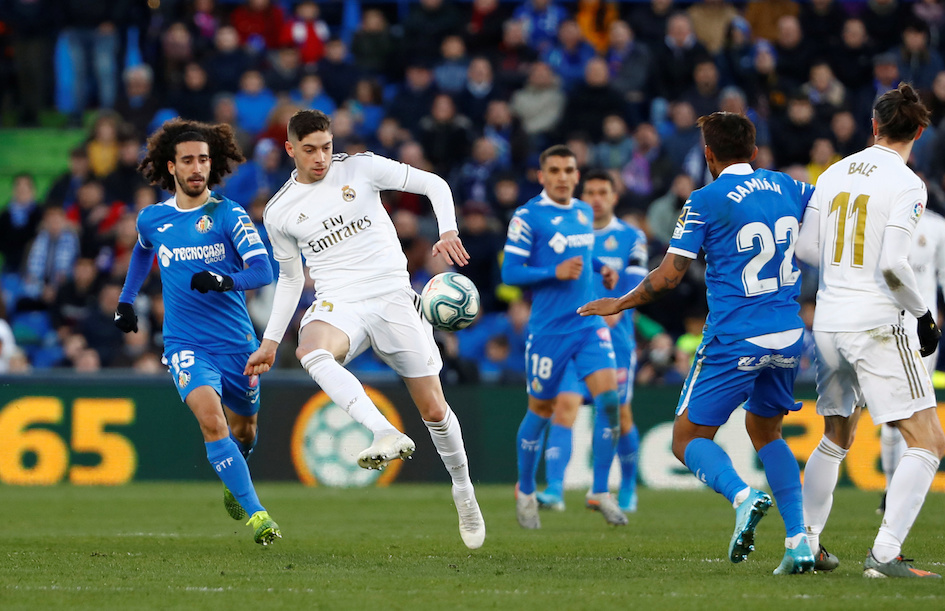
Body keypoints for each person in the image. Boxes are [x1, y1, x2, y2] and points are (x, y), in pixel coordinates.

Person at [580, 112, 816, 575]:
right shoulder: (790, 186)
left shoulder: (705, 199)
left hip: (736, 336)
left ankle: (743, 497)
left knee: (686, 438)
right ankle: (800, 542)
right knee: (767, 432)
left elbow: (669, 276)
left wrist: (621, 302)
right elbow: (825, 207)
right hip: (790, 333)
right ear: (753, 151)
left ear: (708, 154)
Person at [243, 110, 485, 550]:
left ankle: (464, 491)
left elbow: (436, 184)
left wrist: (447, 230)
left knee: (434, 409)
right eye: (311, 149)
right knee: (312, 349)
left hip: (393, 295)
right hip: (342, 299)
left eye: (327, 147)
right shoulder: (279, 212)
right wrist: (270, 342)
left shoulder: (361, 167)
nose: (321, 158)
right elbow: (292, 279)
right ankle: (383, 431)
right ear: (290, 149)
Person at [794, 84, 945, 578]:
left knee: (836, 436)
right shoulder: (907, 183)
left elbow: (807, 249)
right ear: (918, 131)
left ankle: (807, 545)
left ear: (874, 126)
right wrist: (924, 316)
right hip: (877, 324)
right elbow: (894, 268)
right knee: (928, 440)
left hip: (829, 321)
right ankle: (885, 554)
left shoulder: (833, 172)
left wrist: (844, 268)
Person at [113, 119, 280, 546]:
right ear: (171, 166)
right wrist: (126, 300)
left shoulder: (229, 214)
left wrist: (224, 281)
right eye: (188, 160)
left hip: (237, 345)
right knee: (212, 420)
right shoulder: (153, 219)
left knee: (244, 431)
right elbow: (141, 252)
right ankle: (258, 515)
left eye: (203, 159)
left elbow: (262, 270)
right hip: (185, 344)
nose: (197, 168)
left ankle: (234, 477)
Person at [502, 145, 626, 529]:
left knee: (610, 402)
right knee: (540, 411)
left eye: (568, 170)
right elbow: (510, 273)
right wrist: (554, 272)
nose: (561, 176)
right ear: (542, 176)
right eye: (553, 170)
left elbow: (583, 255)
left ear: (577, 175)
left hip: (588, 324)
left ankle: (600, 490)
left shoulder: (583, 211)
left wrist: (602, 268)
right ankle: (525, 491)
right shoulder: (527, 217)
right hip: (548, 332)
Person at [535, 169, 647, 514]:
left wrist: (616, 308)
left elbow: (639, 285)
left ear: (614, 197)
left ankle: (626, 484)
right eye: (591, 192)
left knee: (620, 416)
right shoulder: (570, 235)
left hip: (616, 341)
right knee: (564, 407)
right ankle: (554, 489)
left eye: (603, 192)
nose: (597, 198)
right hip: (573, 337)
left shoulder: (631, 237)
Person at [878, 205, 945, 514]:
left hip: (922, 335)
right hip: (883, 329)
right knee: (892, 417)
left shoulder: (938, 227)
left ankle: (895, 492)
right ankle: (891, 489)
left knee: (912, 411)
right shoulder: (882, 220)